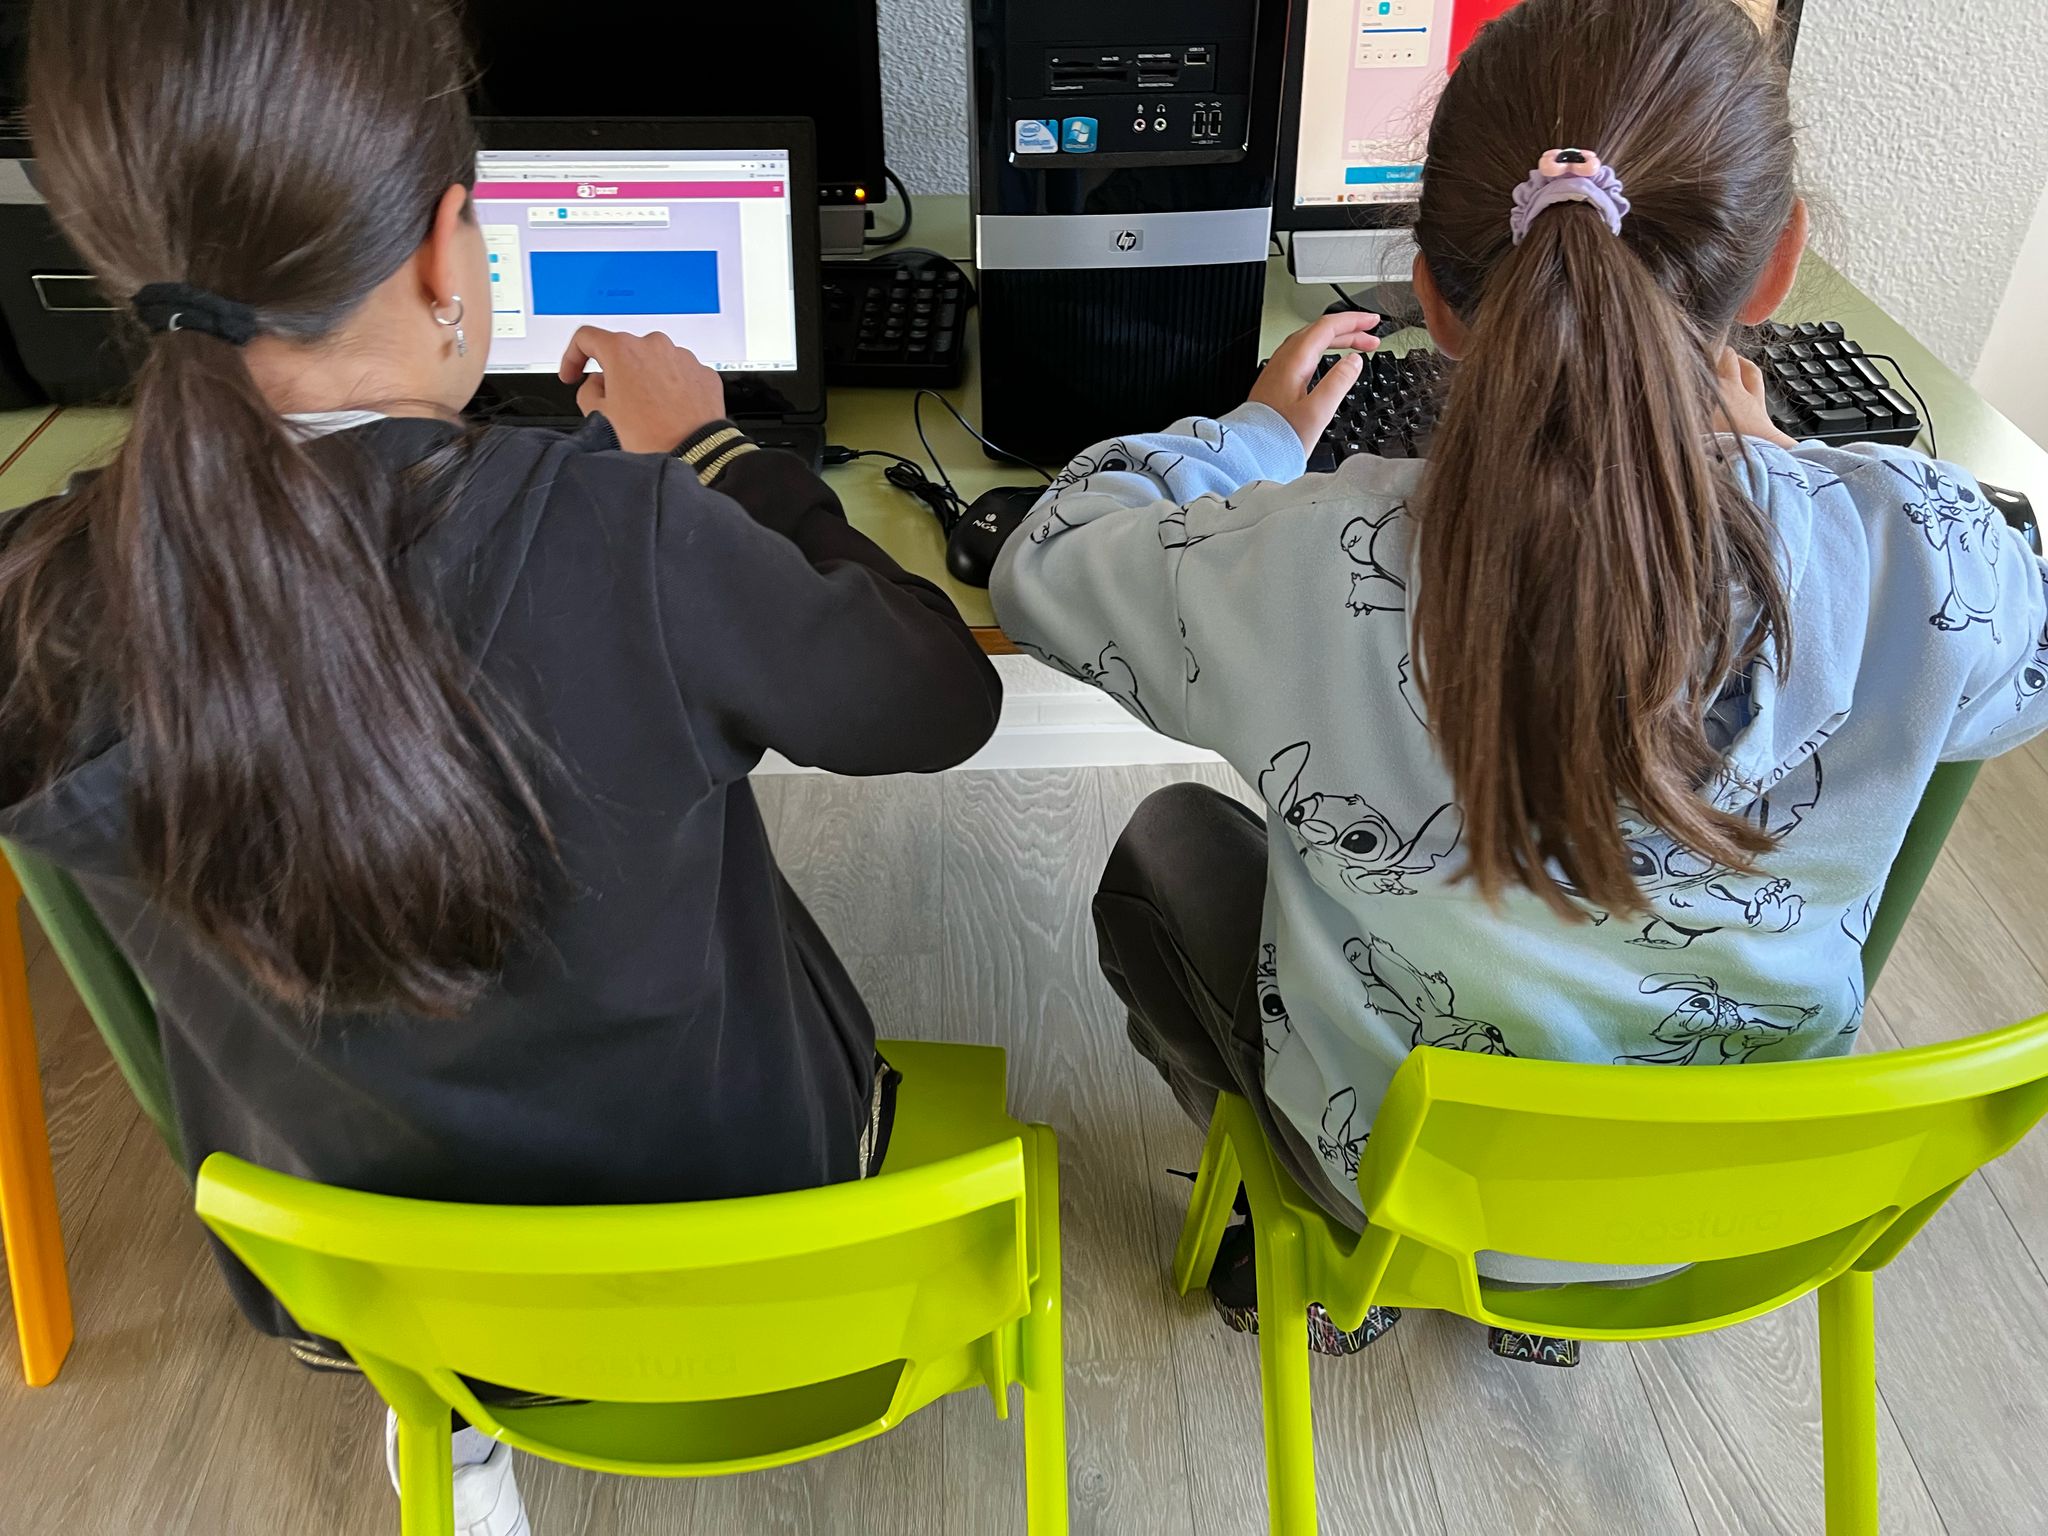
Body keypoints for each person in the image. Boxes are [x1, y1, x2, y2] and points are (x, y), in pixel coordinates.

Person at [0, 0, 999, 1529]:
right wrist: (718, 456)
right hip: (734, 1225)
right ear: (440, 254)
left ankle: (455, 1418)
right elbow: (941, 702)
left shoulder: (38, 605)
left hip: (353, 1273)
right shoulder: (641, 537)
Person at [993, 0, 2048, 1365]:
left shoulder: (1310, 561)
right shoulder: (1929, 548)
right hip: (1723, 1202)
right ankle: (1553, 1289)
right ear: (1778, 264)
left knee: (1164, 847)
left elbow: (1046, 563)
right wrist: (1798, 477)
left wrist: (1254, 436)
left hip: (1393, 1182)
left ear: (1432, 295)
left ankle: (1337, 1243)